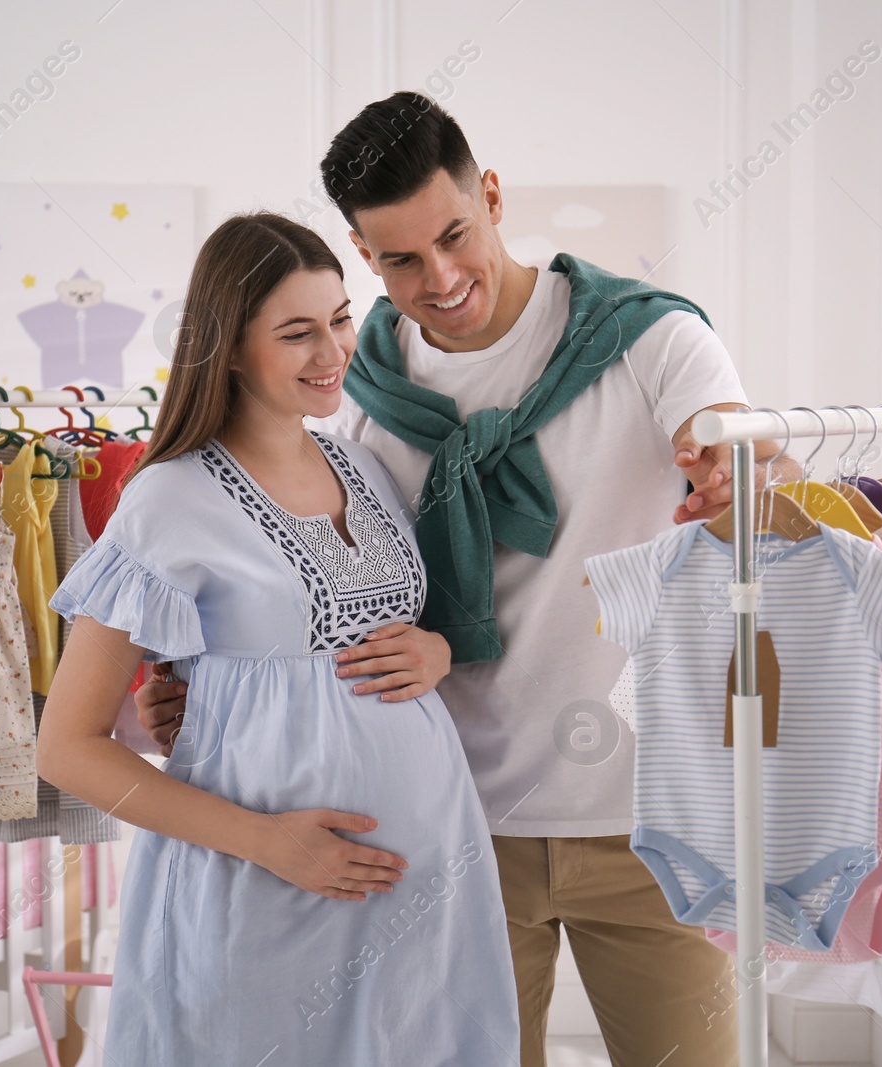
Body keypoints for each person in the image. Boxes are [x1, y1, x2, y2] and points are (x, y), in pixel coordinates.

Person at [139, 93, 797, 1067]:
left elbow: (743, 452)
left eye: (454, 234)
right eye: (401, 258)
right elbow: (321, 596)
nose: (440, 278)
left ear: (489, 195)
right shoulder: (355, 402)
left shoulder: (649, 340)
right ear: (364, 255)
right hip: (447, 828)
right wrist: (204, 688)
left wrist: (742, 472)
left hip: (652, 823)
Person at [37, 211, 521, 1064]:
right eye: (297, 333)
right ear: (226, 348)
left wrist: (437, 651)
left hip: (425, 887)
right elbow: (66, 748)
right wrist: (269, 842)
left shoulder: (364, 466)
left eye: (339, 320)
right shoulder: (168, 500)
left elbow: (395, 635)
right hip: (262, 891)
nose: (332, 352)